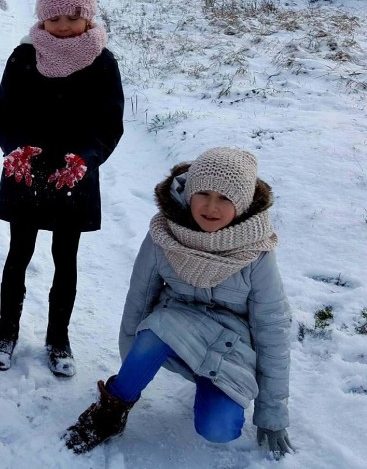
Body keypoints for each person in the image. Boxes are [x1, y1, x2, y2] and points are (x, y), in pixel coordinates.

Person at [64, 148, 293, 460]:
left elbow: (273, 329)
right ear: (188, 193)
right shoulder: (165, 233)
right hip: (171, 324)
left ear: (241, 204)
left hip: (228, 343)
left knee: (219, 429)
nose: (211, 207)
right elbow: (140, 297)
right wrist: (133, 365)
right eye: (203, 193)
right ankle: (110, 412)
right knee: (154, 333)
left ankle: (208, 385)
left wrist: (271, 415)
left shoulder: (256, 252)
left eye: (225, 198)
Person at [0, 0, 125, 377]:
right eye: (54, 18)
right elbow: (3, 113)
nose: (63, 27)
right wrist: (14, 149)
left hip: (74, 179)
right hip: (25, 175)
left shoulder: (103, 64)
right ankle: (6, 330)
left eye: (73, 17)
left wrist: (86, 158)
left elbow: (109, 124)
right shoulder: (24, 57)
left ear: (88, 14)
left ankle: (58, 335)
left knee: (66, 260)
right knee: (18, 256)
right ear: (42, 17)